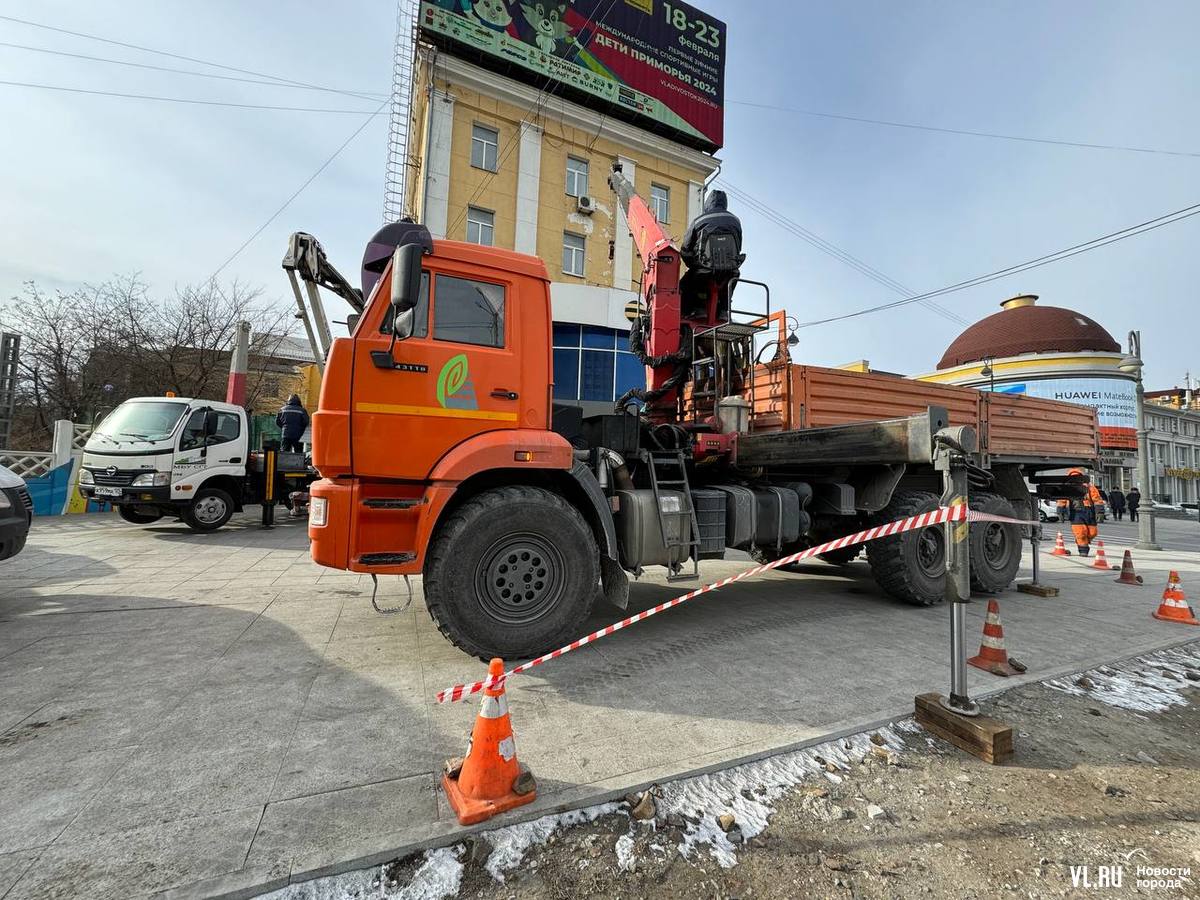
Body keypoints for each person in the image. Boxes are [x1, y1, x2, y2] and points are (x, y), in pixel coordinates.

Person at [679, 190, 745, 322]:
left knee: (684, 285)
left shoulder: (699, 220)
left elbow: (685, 249)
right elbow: (738, 247)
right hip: (730, 271)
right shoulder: (735, 221)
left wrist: (693, 264)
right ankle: (724, 311)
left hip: (704, 269)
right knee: (733, 275)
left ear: (707, 204)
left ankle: (698, 309)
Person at [1063, 467, 1103, 556]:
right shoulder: (1067, 488)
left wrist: (1100, 511)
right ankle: (1083, 550)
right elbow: (1062, 499)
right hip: (1076, 513)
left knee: (1093, 532)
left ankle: (1083, 541)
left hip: (1090, 512)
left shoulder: (1089, 487)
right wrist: (1060, 510)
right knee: (1080, 532)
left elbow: (1097, 499)